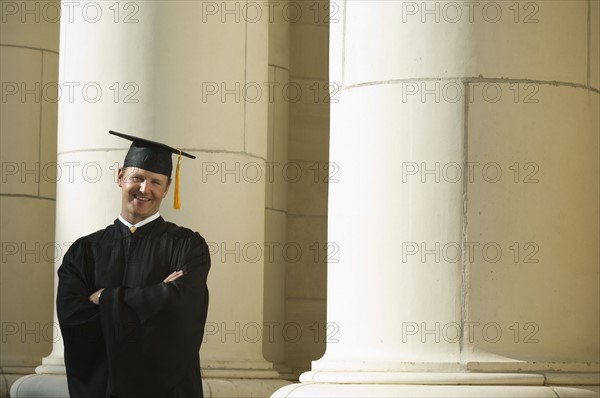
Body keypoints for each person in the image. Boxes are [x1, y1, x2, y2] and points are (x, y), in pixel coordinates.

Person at [57, 130, 211, 398]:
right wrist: (157, 296)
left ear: (167, 188)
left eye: (155, 181)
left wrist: (105, 298)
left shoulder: (188, 246)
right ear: (120, 177)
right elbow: (73, 317)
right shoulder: (84, 251)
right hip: (103, 388)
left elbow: (183, 310)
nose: (144, 189)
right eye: (137, 178)